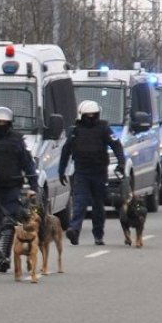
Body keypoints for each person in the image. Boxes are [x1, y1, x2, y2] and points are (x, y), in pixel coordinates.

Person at [59, 100, 125, 246]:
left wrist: (121, 163)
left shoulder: (103, 128)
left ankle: (97, 234)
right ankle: (74, 230)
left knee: (97, 204)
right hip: (82, 172)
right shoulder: (75, 131)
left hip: (99, 172)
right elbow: (66, 151)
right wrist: (61, 170)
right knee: (81, 202)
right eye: (88, 115)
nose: (90, 117)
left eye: (92, 115)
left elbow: (116, 145)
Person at [0, 107, 39, 273]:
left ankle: (4, 256)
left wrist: (34, 185)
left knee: (9, 221)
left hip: (11, 186)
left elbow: (27, 162)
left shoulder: (17, 140)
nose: (1, 125)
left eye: (4, 122)